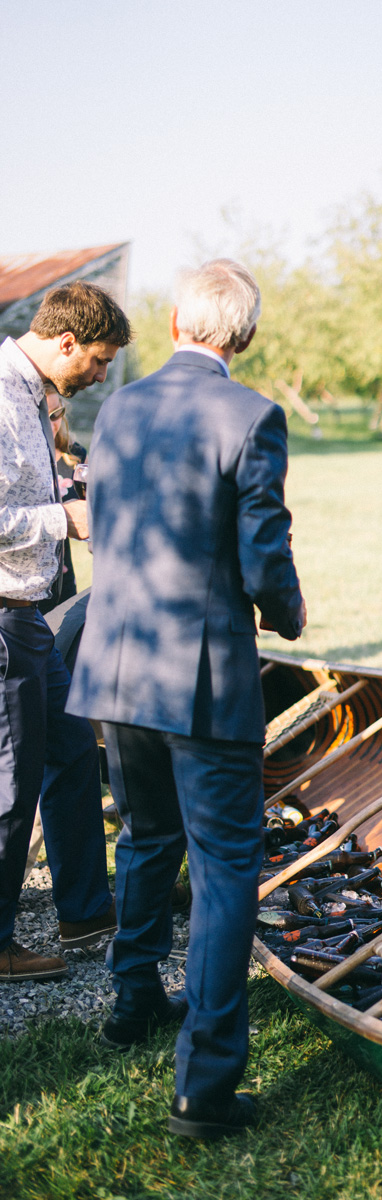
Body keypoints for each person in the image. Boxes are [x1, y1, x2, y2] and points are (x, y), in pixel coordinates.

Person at [67, 259, 306, 1140]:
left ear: (174, 322)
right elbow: (263, 550)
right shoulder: (252, 415)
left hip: (114, 663)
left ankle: (132, 998)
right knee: (224, 865)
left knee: (144, 833)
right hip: (200, 676)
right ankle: (204, 1086)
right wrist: (288, 611)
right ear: (240, 336)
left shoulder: (117, 407)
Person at [0, 282, 129, 982]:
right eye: (101, 361)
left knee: (74, 750)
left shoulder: (32, 393)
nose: (102, 375)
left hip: (29, 618)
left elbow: (25, 484)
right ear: (66, 342)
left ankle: (86, 910)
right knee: (12, 787)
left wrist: (74, 484)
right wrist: (65, 520)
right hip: (1, 618)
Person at [38, 394, 87, 614]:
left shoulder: (75, 455)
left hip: (64, 573)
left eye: (56, 414)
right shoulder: (19, 458)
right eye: (42, 415)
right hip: (27, 579)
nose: (51, 423)